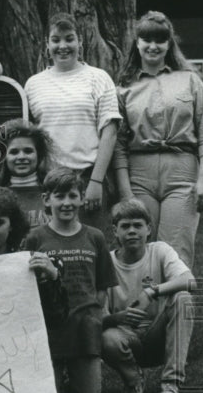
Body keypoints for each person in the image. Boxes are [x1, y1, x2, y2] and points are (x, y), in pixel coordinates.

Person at [116, 11, 203, 269]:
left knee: (176, 252)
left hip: (182, 171)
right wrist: (126, 192)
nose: (153, 46)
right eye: (146, 39)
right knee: (140, 250)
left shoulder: (190, 80)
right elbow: (119, 145)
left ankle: (177, 296)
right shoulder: (123, 87)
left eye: (160, 40)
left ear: (169, 44)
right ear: (137, 43)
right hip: (140, 174)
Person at [24, 12, 129, 231]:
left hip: (88, 177)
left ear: (80, 42)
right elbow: (30, 137)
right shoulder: (33, 85)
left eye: (69, 39)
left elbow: (110, 132)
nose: (63, 46)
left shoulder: (98, 78)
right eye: (56, 40)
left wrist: (96, 182)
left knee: (91, 243)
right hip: (49, 180)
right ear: (47, 44)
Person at [23, 168, 118, 393]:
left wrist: (94, 316)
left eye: (73, 196)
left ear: (82, 198)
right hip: (51, 328)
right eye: (60, 196)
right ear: (46, 200)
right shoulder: (35, 238)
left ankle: (76, 376)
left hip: (85, 327)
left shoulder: (95, 237)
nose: (67, 203)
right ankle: (60, 378)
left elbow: (102, 286)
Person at [102, 199, 196, 393]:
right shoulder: (106, 262)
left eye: (138, 225)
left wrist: (152, 291)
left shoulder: (160, 250)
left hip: (159, 335)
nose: (132, 231)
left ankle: (171, 385)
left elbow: (190, 281)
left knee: (183, 298)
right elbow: (99, 320)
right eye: (125, 226)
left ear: (149, 229)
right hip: (125, 339)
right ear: (115, 231)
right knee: (106, 338)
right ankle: (133, 380)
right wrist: (119, 318)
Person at [0, 186, 69, 353]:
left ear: (11, 224)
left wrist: (52, 277)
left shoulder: (31, 265)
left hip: (23, 355)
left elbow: (57, 319)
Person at [0, 118, 56, 229]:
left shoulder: (54, 194)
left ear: (39, 155)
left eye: (28, 151)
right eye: (14, 152)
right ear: (3, 158)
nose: (21, 157)